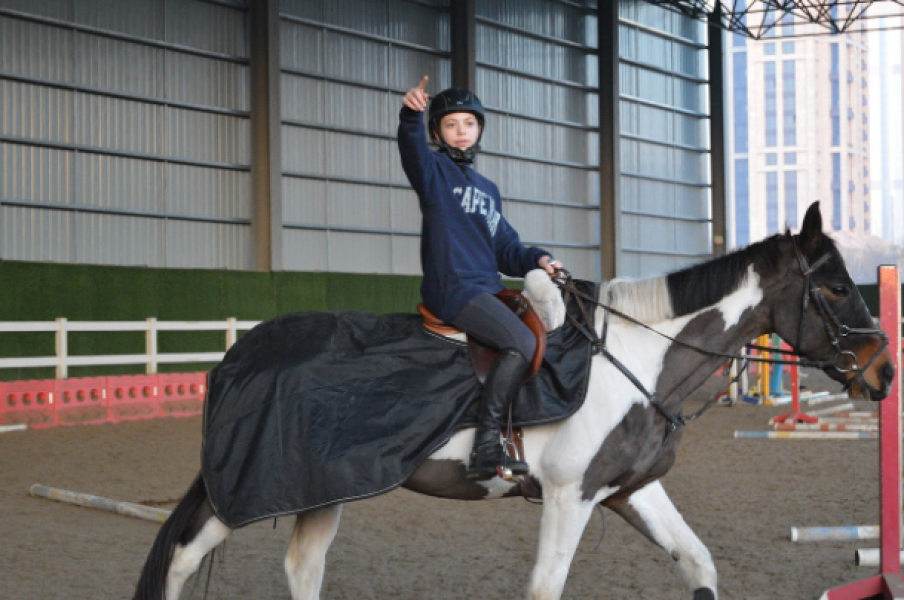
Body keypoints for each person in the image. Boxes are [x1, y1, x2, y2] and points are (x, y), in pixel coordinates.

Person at [397, 76, 564, 481]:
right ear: (438, 130)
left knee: (542, 329)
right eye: (451, 125)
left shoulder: (488, 189)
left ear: (479, 129)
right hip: (453, 288)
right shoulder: (433, 171)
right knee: (521, 341)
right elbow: (411, 150)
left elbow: (506, 247)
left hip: (488, 287)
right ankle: (487, 445)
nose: (460, 132)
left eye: (468, 124)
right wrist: (409, 116)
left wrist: (539, 258)